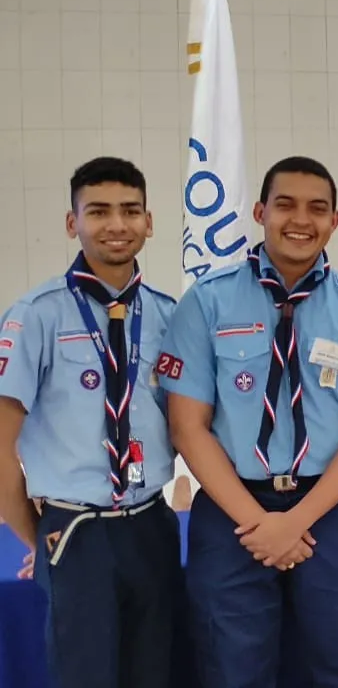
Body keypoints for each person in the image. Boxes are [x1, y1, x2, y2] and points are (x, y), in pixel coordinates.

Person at [160, 156, 338, 687]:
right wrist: (258, 521)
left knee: (337, 661)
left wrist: (294, 522)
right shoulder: (208, 300)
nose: (301, 219)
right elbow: (187, 427)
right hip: (231, 507)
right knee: (232, 665)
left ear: (335, 221)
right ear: (259, 212)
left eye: (318, 208)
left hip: (330, 505)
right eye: (285, 205)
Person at [0, 157, 181, 688]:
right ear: (71, 222)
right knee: (86, 675)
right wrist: (39, 539)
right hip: (76, 529)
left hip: (152, 522)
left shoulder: (169, 315)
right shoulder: (36, 315)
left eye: (130, 211)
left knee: (155, 670)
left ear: (150, 221)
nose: (116, 225)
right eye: (98, 211)